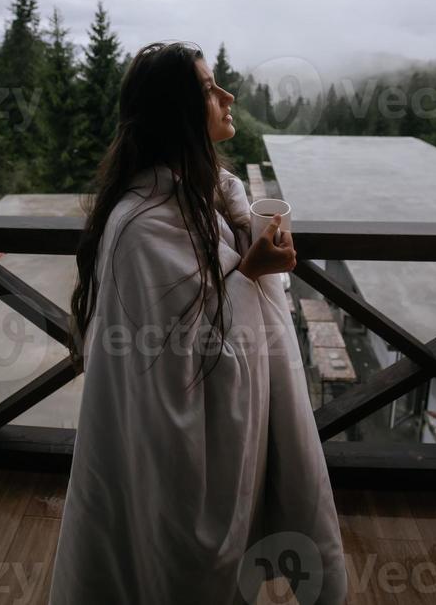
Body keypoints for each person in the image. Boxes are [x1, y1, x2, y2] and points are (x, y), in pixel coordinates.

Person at [48, 41, 347, 605]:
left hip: (234, 430)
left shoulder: (205, 198)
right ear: (177, 112)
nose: (228, 96)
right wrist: (251, 270)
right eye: (210, 88)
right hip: (178, 456)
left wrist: (245, 239)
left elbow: (213, 302)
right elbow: (171, 360)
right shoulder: (141, 227)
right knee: (181, 570)